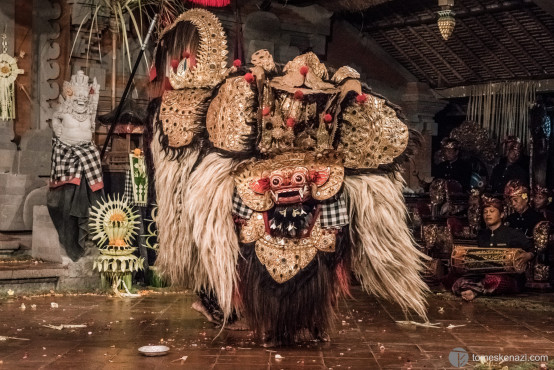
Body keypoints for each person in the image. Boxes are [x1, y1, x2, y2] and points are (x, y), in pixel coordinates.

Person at [47, 71, 104, 261]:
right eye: (78, 95)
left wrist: (94, 92)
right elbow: (55, 117)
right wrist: (57, 128)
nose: (81, 99)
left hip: (88, 155)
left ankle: (91, 235)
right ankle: (72, 238)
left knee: (93, 194)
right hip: (67, 155)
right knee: (67, 194)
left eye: (84, 96)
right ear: (71, 95)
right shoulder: (64, 110)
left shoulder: (89, 110)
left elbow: (93, 105)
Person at [453, 195, 534, 301]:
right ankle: (473, 290)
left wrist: (528, 255)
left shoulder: (513, 233)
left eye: (492, 211)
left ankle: (474, 291)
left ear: (501, 214)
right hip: (485, 275)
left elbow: (532, 248)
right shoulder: (482, 235)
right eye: (485, 212)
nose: (488, 215)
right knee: (458, 283)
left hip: (510, 278)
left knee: (495, 281)